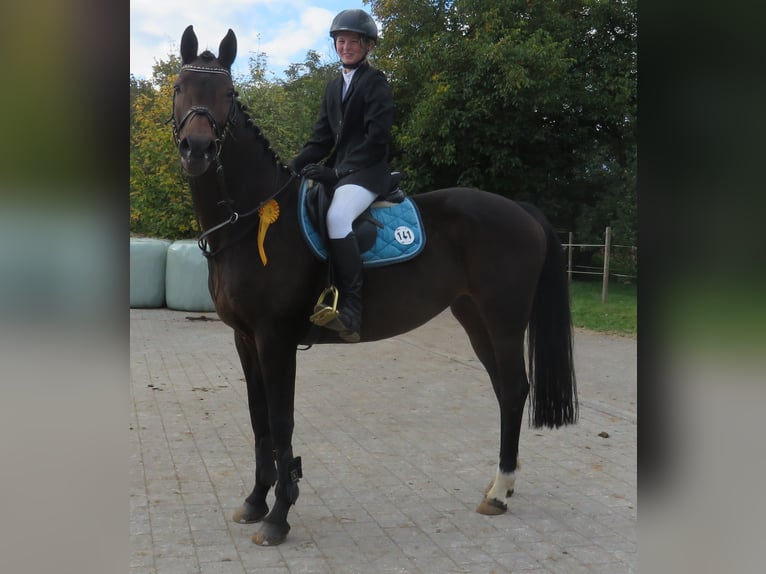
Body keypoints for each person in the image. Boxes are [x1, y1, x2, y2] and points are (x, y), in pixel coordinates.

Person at [288, 9, 393, 343]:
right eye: (341, 41)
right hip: (342, 172)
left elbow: (377, 139)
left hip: (368, 172)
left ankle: (351, 308)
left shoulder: (376, 83)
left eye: (353, 42)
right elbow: (321, 140)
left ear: (367, 46)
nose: (346, 47)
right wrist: (288, 169)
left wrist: (336, 172)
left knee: (337, 217)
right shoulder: (334, 87)